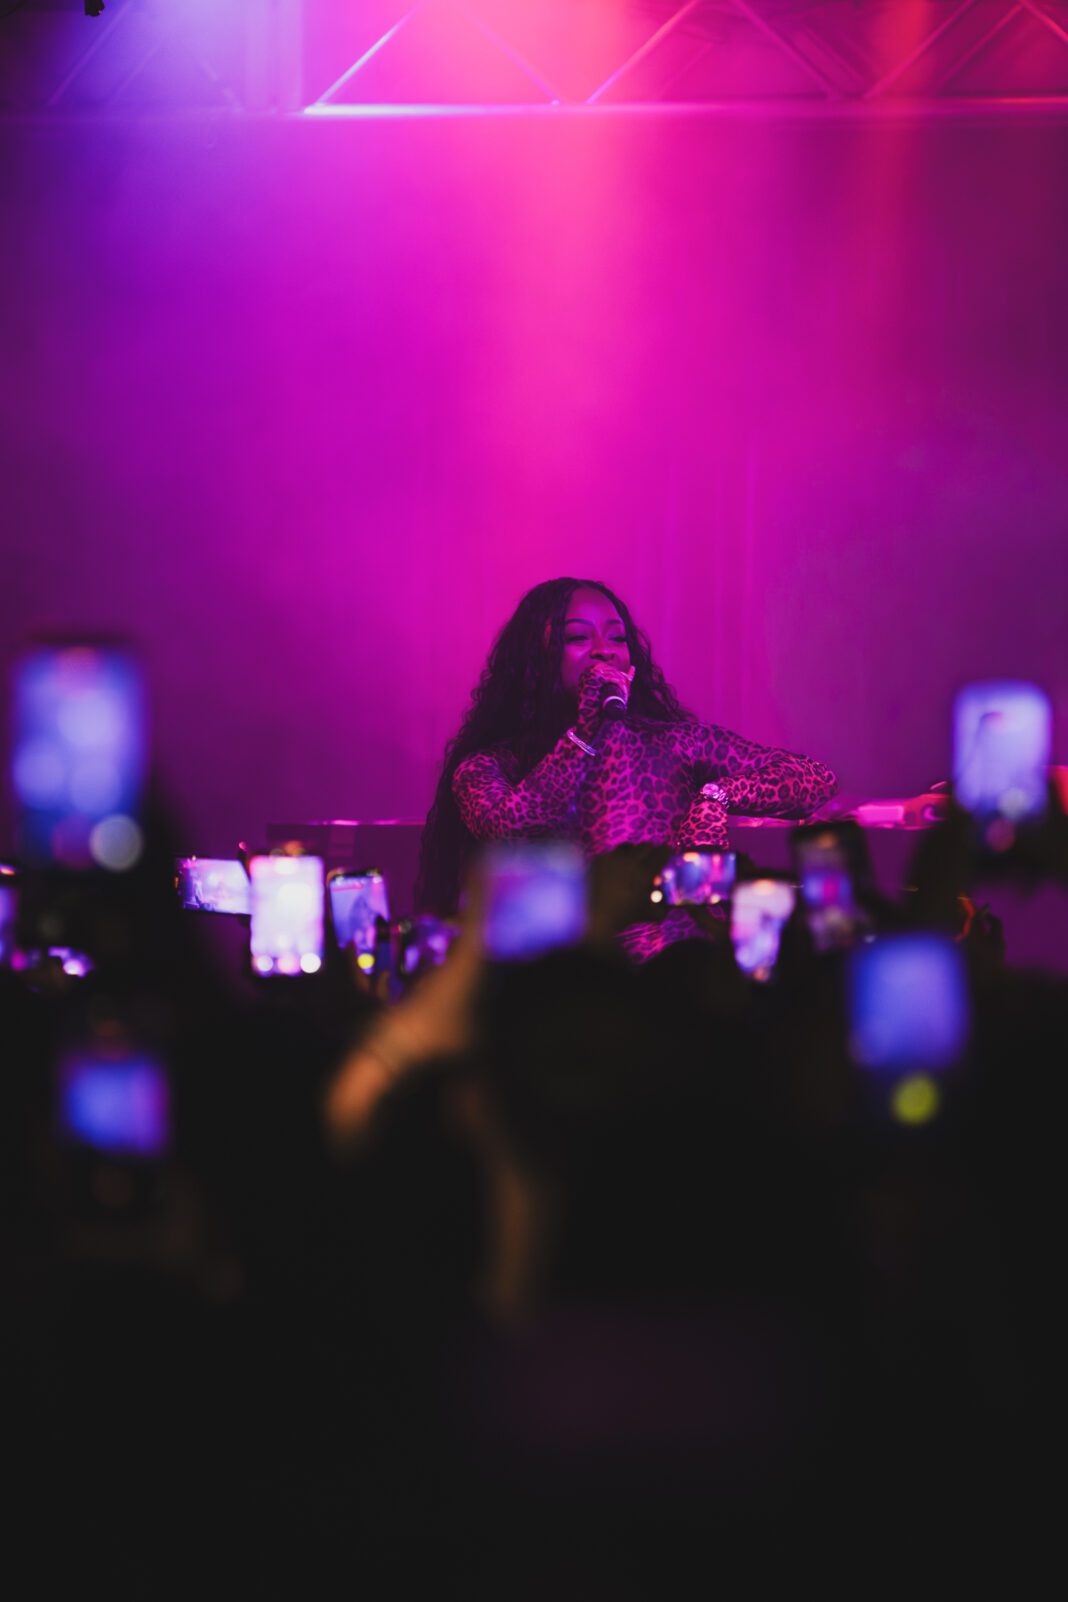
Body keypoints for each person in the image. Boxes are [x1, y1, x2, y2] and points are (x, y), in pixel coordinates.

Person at [415, 577, 837, 958]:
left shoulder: (674, 743)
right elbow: (510, 827)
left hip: (683, 975)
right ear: (535, 658)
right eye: (577, 637)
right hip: (564, 985)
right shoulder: (491, 765)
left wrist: (718, 796)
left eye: (618, 637)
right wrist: (586, 730)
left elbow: (816, 779)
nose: (605, 650)